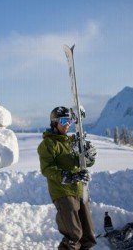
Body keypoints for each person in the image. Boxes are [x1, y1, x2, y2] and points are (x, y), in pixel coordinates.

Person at [37, 106, 97, 250]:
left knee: (88, 234)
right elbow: (47, 169)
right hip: (63, 191)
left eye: (69, 120)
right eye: (64, 120)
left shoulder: (70, 142)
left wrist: (89, 157)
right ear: (54, 122)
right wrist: (68, 176)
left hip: (79, 189)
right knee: (74, 234)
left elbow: (81, 162)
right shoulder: (48, 144)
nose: (68, 124)